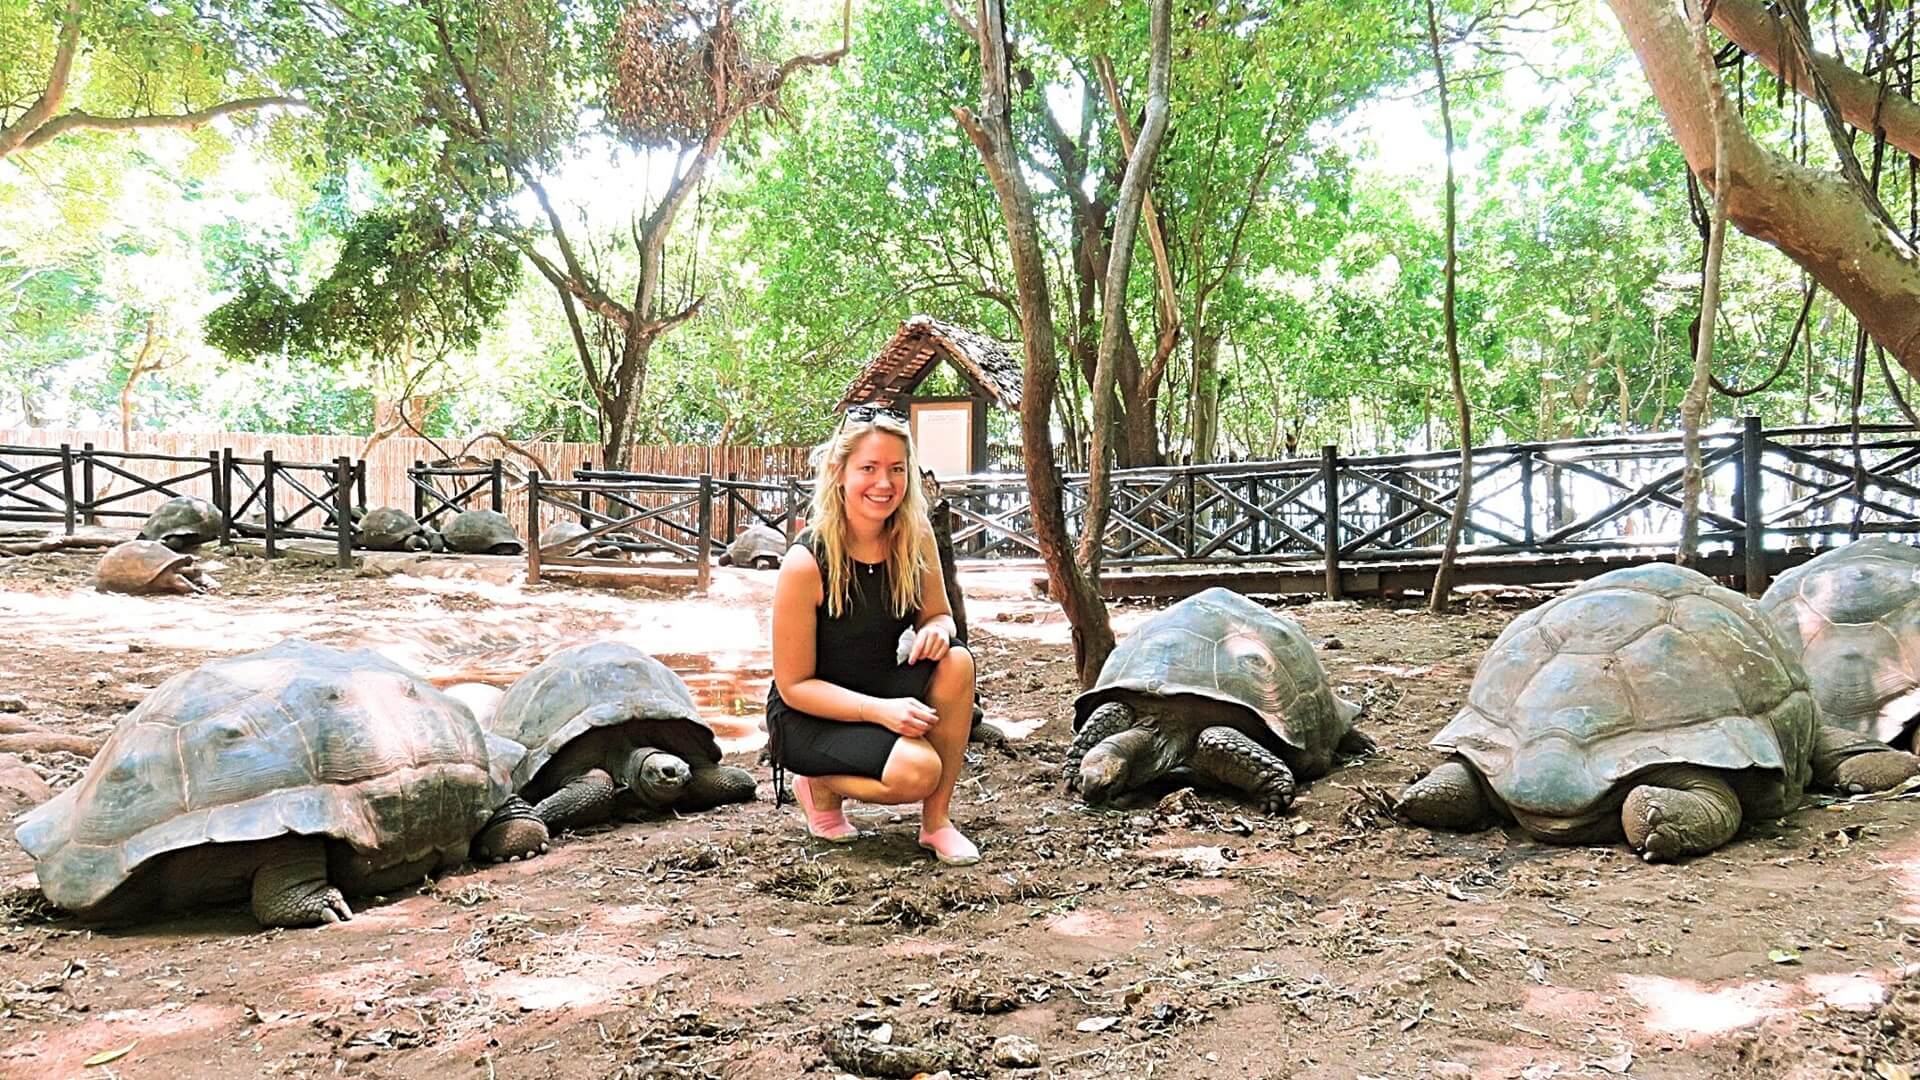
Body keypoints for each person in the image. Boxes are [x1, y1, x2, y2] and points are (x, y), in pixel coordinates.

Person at [765, 405, 980, 865]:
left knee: (958, 660)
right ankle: (817, 781)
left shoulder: (914, 535)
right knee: (919, 771)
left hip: (882, 685)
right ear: (839, 472)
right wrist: (880, 713)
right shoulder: (806, 563)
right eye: (868, 468)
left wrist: (937, 632)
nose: (884, 484)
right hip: (813, 712)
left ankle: (936, 823)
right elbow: (794, 685)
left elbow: (940, 615)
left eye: (896, 470)